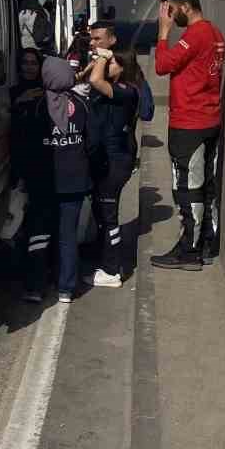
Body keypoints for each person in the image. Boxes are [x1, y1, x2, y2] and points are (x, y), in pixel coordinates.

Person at [149, 0, 225, 271]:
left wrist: (163, 33)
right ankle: (206, 242)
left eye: (171, 11)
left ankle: (189, 251)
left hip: (189, 123)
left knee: (187, 188)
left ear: (184, 6)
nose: (169, 16)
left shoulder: (195, 35)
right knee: (205, 186)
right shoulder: (215, 33)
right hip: (209, 119)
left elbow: (162, 64)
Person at [15, 56, 94, 304]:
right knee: (68, 234)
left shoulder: (37, 105)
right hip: (75, 181)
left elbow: (25, 145)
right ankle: (66, 288)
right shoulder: (81, 104)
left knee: (39, 232)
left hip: (44, 181)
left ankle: (36, 286)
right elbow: (93, 142)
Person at [85, 44, 144, 288]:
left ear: (122, 67)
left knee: (109, 216)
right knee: (101, 213)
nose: (106, 66)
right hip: (107, 159)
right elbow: (85, 80)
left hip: (117, 161)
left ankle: (112, 271)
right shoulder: (113, 90)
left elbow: (95, 79)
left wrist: (103, 55)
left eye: (111, 63)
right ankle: (106, 261)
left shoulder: (126, 91)